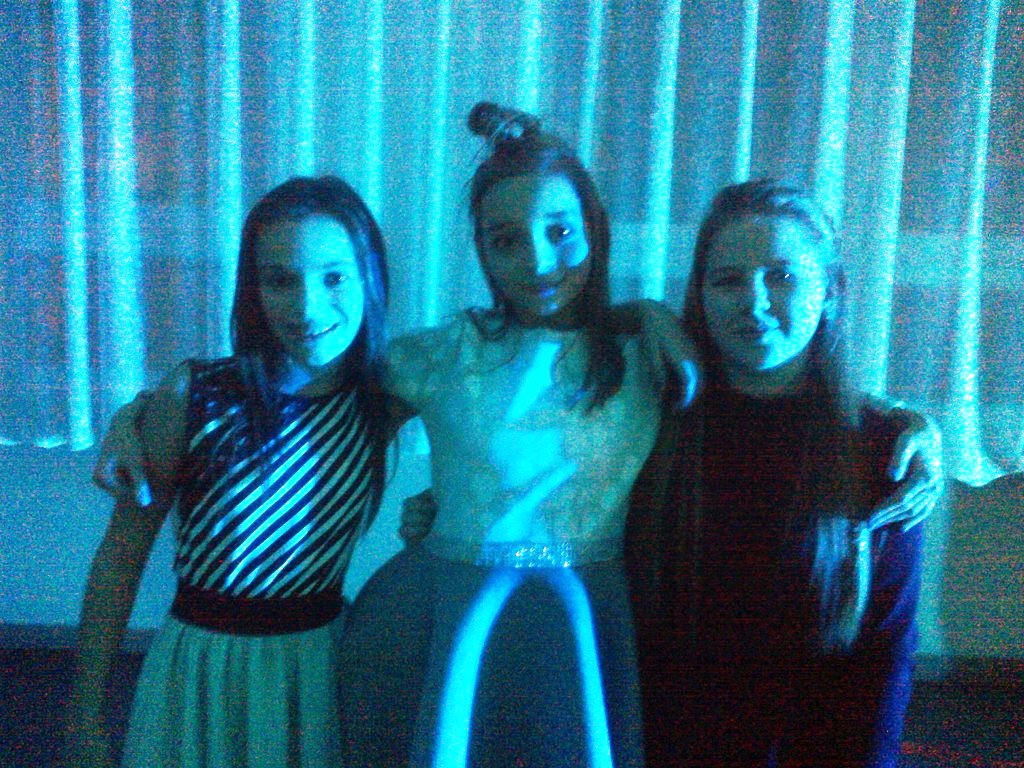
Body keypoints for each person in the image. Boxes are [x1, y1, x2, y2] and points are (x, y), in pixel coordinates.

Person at [67, 176, 391, 768]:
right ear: (253, 290)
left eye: (334, 277)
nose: (307, 306)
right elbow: (120, 559)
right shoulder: (199, 397)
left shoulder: (383, 396)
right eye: (281, 280)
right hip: (201, 674)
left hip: (317, 674)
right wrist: (85, 718)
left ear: (369, 276)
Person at [625, 178, 931, 768]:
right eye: (728, 280)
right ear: (700, 295)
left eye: (783, 275)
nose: (754, 301)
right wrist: (639, 313)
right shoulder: (649, 425)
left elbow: (884, 657)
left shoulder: (885, 451)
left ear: (831, 292)